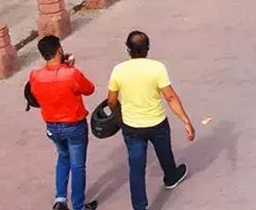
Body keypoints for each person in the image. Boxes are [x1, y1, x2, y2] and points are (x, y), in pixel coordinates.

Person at [107, 31, 194, 210]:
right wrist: (186, 121)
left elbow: (111, 100)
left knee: (136, 167)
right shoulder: (157, 68)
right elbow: (170, 97)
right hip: (157, 122)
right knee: (164, 151)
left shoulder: (119, 70)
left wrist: (118, 113)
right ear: (148, 48)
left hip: (132, 125)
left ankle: (140, 206)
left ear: (128, 49)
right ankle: (171, 176)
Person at [29, 35, 98, 210]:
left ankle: (60, 199)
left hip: (52, 126)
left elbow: (35, 95)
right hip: (74, 125)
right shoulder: (71, 74)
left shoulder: (35, 76)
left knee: (63, 158)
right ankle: (78, 205)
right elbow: (89, 89)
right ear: (59, 50)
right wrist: (70, 66)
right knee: (77, 165)